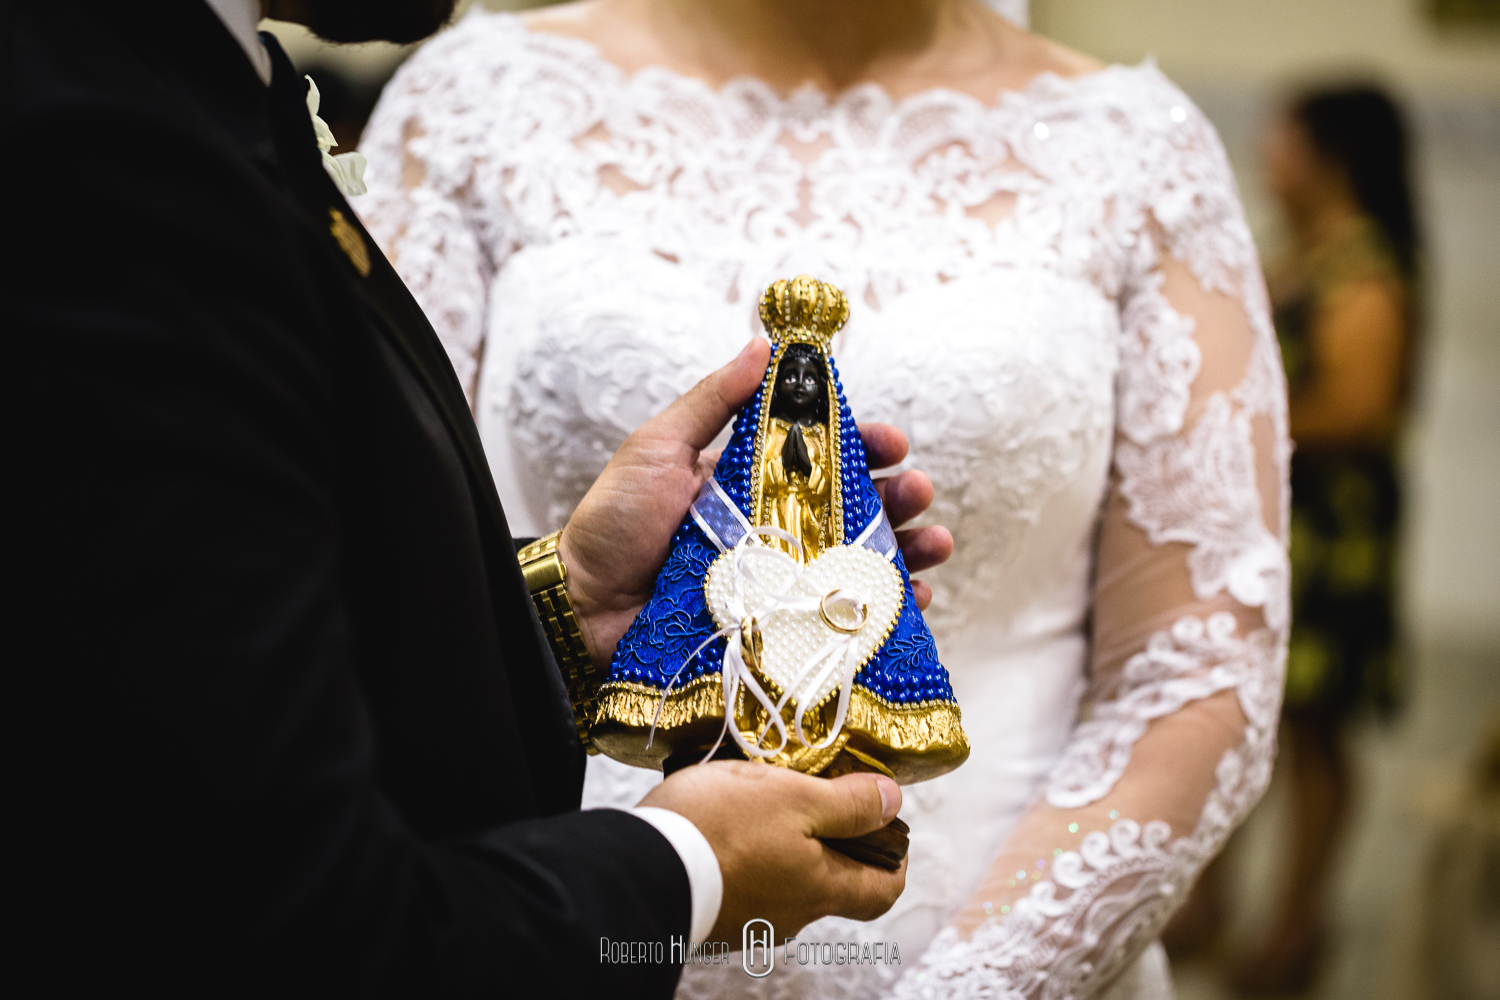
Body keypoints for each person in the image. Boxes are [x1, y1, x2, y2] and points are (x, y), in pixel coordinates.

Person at [7, 0, 955, 993]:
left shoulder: (195, 88)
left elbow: (199, 657)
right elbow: (292, 928)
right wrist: (689, 867)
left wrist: (567, 600)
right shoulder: (95, 151)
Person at [356, 0, 1292, 995]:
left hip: (1006, 945)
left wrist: (980, 983)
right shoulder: (474, 99)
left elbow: (1199, 653)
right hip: (562, 932)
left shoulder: (1137, 146)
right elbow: (359, 586)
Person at [1221, 83, 1419, 995]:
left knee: (1316, 734)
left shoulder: (1363, 271)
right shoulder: (1304, 255)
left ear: (1330, 154)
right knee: (1255, 718)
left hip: (1334, 539)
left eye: (1286, 138)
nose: (1270, 153)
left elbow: (1359, 406)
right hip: (1282, 525)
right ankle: (1218, 902)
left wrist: (1237, 419)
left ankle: (1301, 927)